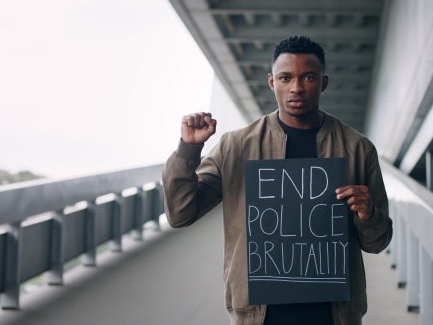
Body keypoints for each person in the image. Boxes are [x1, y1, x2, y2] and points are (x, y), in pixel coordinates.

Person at [162, 36, 392, 325]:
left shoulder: (357, 148)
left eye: (308, 77)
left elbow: (377, 242)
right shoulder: (237, 146)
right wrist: (189, 148)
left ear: (323, 82)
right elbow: (180, 214)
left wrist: (368, 215)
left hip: (333, 312)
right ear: (272, 82)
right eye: (286, 78)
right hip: (260, 313)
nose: (296, 87)